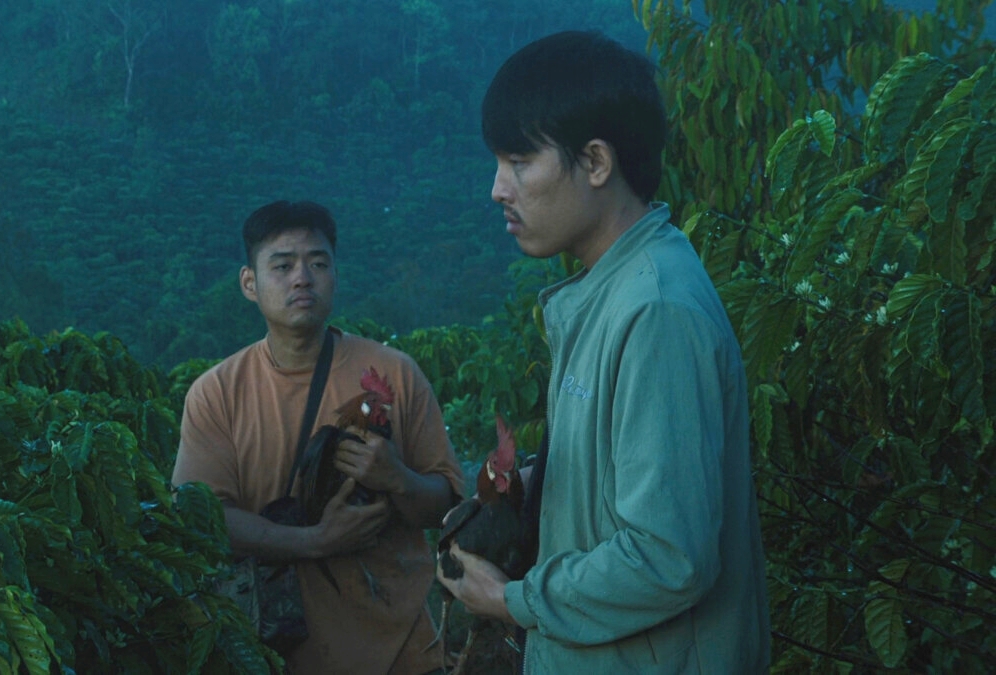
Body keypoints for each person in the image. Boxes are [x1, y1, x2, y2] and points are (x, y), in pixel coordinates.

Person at [436, 31, 771, 673]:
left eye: (518, 162)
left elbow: (668, 557)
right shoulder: (608, 290)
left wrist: (510, 600)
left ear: (595, 162)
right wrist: (533, 487)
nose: (498, 188)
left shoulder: (655, 311)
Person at [172, 199, 463, 674]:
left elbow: (446, 507)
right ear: (249, 283)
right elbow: (205, 520)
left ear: (335, 275)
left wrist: (397, 478)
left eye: (318, 263)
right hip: (277, 652)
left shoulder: (396, 372)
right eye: (282, 265)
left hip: (403, 650)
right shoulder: (216, 393)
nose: (302, 278)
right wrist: (315, 541)